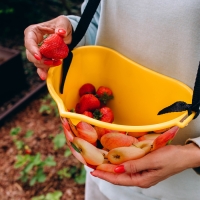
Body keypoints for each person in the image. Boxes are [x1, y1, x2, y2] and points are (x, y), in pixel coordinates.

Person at [24, 0, 200, 199]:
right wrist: (70, 32)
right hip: (102, 172)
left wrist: (193, 154)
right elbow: (102, 21)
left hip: (184, 186)